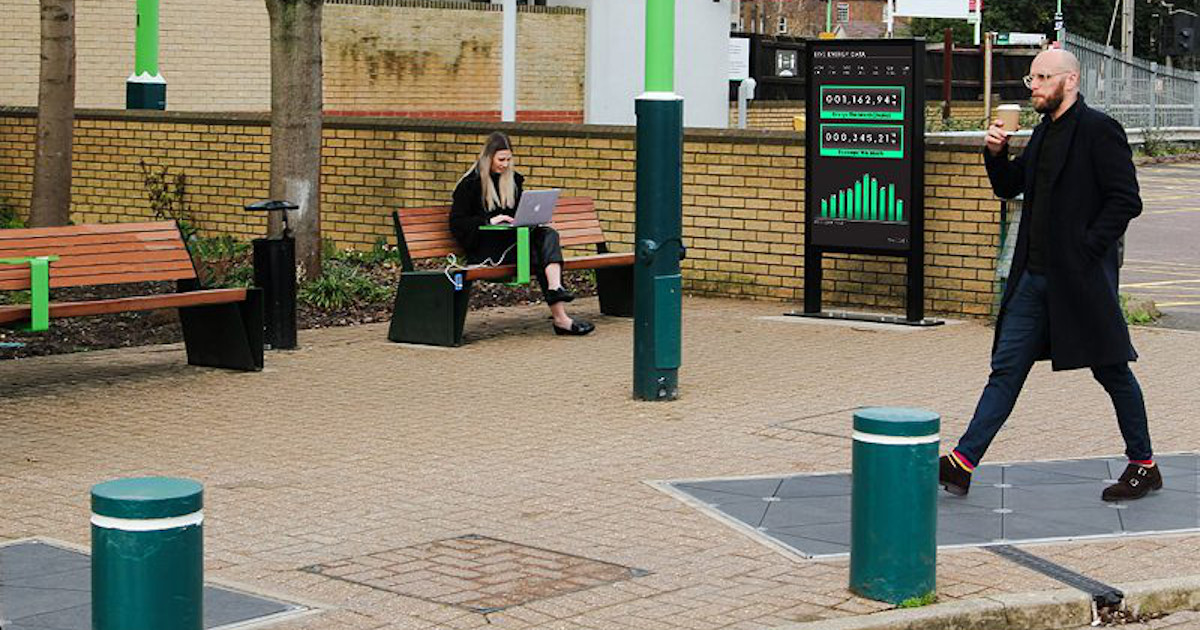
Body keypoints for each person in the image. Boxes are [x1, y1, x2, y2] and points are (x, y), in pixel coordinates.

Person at [939, 49, 1159, 502]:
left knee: (1112, 369)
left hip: (1079, 281)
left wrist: (1085, 250)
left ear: (1070, 80)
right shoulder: (1043, 132)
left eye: (1042, 77)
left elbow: (1125, 200)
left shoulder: (1099, 130)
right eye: (1031, 78)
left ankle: (1144, 465)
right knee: (1005, 371)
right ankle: (962, 463)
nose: (1033, 85)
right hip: (1033, 281)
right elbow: (1009, 186)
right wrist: (996, 154)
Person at [448, 131, 595, 336]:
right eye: (501, 159)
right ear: (488, 157)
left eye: (509, 159)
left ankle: (556, 289)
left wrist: (534, 219)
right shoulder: (470, 185)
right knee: (540, 254)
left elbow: (519, 213)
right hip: (487, 250)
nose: (505, 164)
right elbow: (457, 222)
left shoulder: (513, 180)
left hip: (513, 243)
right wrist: (489, 221)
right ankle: (561, 317)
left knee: (547, 234)